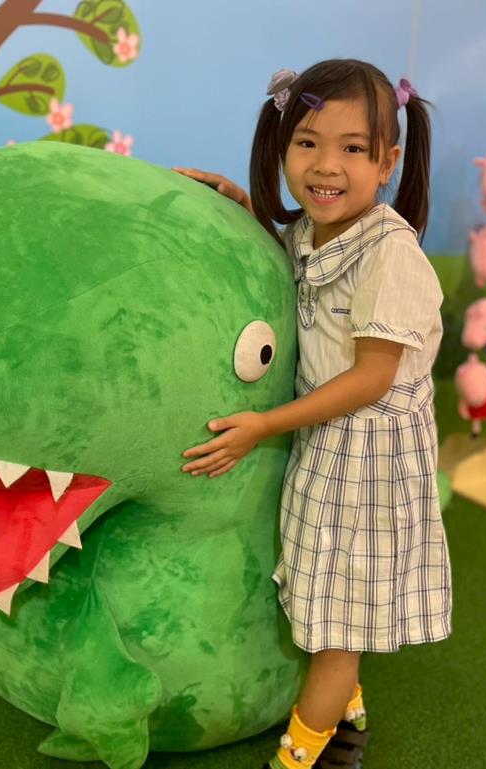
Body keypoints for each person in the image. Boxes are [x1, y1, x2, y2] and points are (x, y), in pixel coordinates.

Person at [175, 59, 451, 769]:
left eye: (353, 148)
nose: (326, 166)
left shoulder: (391, 255)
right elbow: (293, 269)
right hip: (326, 447)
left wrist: (265, 426)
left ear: (387, 162)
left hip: (367, 459)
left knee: (335, 632)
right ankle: (347, 717)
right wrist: (243, 206)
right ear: (282, 146)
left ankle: (297, 757)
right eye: (307, 142)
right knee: (321, 596)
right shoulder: (310, 231)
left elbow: (370, 380)